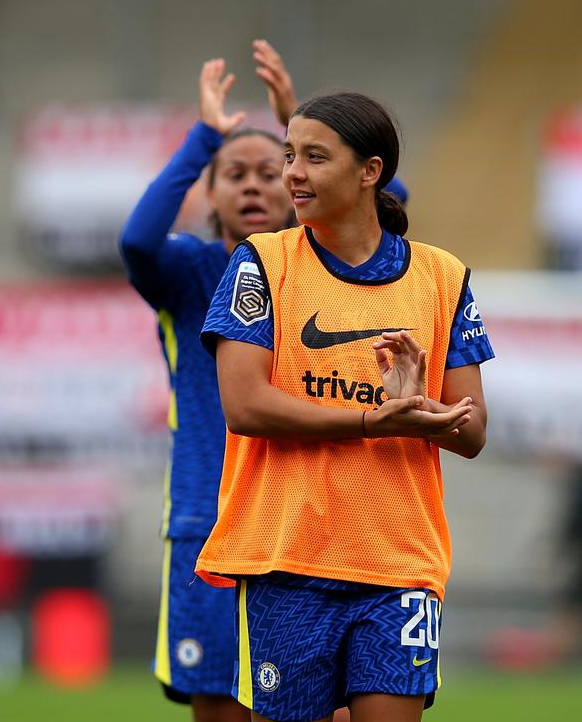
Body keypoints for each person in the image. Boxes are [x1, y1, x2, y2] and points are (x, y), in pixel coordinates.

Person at [197, 91, 494, 722]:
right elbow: (244, 406)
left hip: (399, 564)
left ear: (370, 170)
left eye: (314, 157)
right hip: (288, 564)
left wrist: (422, 407)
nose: (293, 174)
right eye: (290, 156)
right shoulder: (261, 263)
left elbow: (472, 430)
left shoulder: (444, 278)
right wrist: (371, 421)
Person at [119, 43, 297, 722]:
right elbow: (137, 241)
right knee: (218, 702)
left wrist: (299, 124)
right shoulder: (189, 270)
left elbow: (385, 203)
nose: (253, 185)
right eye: (234, 174)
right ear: (211, 192)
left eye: (271, 171)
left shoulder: (316, 267)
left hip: (296, 521)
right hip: (207, 517)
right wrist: (204, 137)